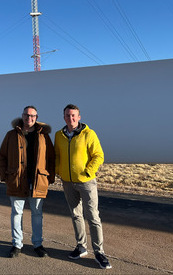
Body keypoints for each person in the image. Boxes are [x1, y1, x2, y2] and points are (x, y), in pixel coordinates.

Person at [54, 104, 112, 269]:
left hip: (86, 182)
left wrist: (88, 172)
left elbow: (98, 155)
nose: (70, 118)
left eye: (73, 115)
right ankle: (81, 247)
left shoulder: (89, 134)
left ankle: (99, 252)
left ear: (79, 117)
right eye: (67, 115)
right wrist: (59, 170)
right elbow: (57, 155)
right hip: (67, 182)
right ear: (63, 117)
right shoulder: (59, 135)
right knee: (76, 215)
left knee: (93, 216)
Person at [0, 105, 55, 258]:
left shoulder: (44, 136)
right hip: (17, 180)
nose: (29, 118)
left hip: (38, 181)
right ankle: (17, 244)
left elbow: (51, 158)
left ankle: (38, 244)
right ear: (22, 116)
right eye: (26, 115)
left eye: (32, 116)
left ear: (36, 117)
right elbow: (2, 156)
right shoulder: (11, 135)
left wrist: (49, 178)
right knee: (17, 213)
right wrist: (5, 176)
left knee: (37, 213)